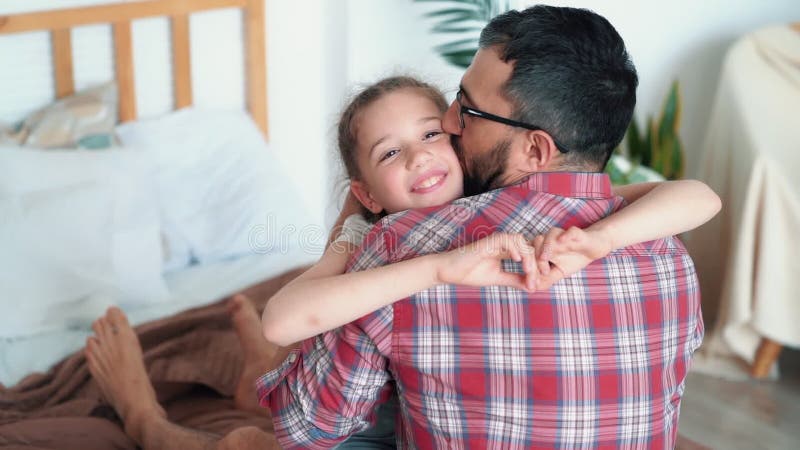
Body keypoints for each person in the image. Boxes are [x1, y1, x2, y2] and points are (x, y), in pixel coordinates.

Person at [257, 5, 716, 449]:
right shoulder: (665, 250)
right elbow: (690, 194)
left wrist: (351, 229)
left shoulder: (406, 243)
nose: (450, 123)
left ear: (536, 151)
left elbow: (307, 428)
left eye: (467, 111)